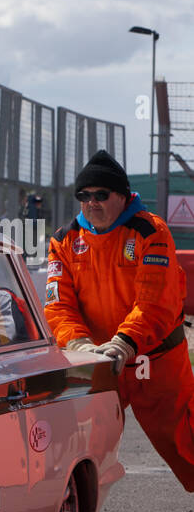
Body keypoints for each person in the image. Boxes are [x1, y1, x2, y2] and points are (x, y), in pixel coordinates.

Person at [43, 149, 194, 491]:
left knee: (186, 445)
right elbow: (57, 305)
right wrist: (80, 344)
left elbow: (155, 301)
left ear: (122, 196)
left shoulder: (150, 232)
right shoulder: (63, 241)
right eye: (84, 195)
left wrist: (124, 343)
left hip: (153, 361)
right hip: (98, 362)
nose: (91, 202)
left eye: (101, 195)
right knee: (77, 454)